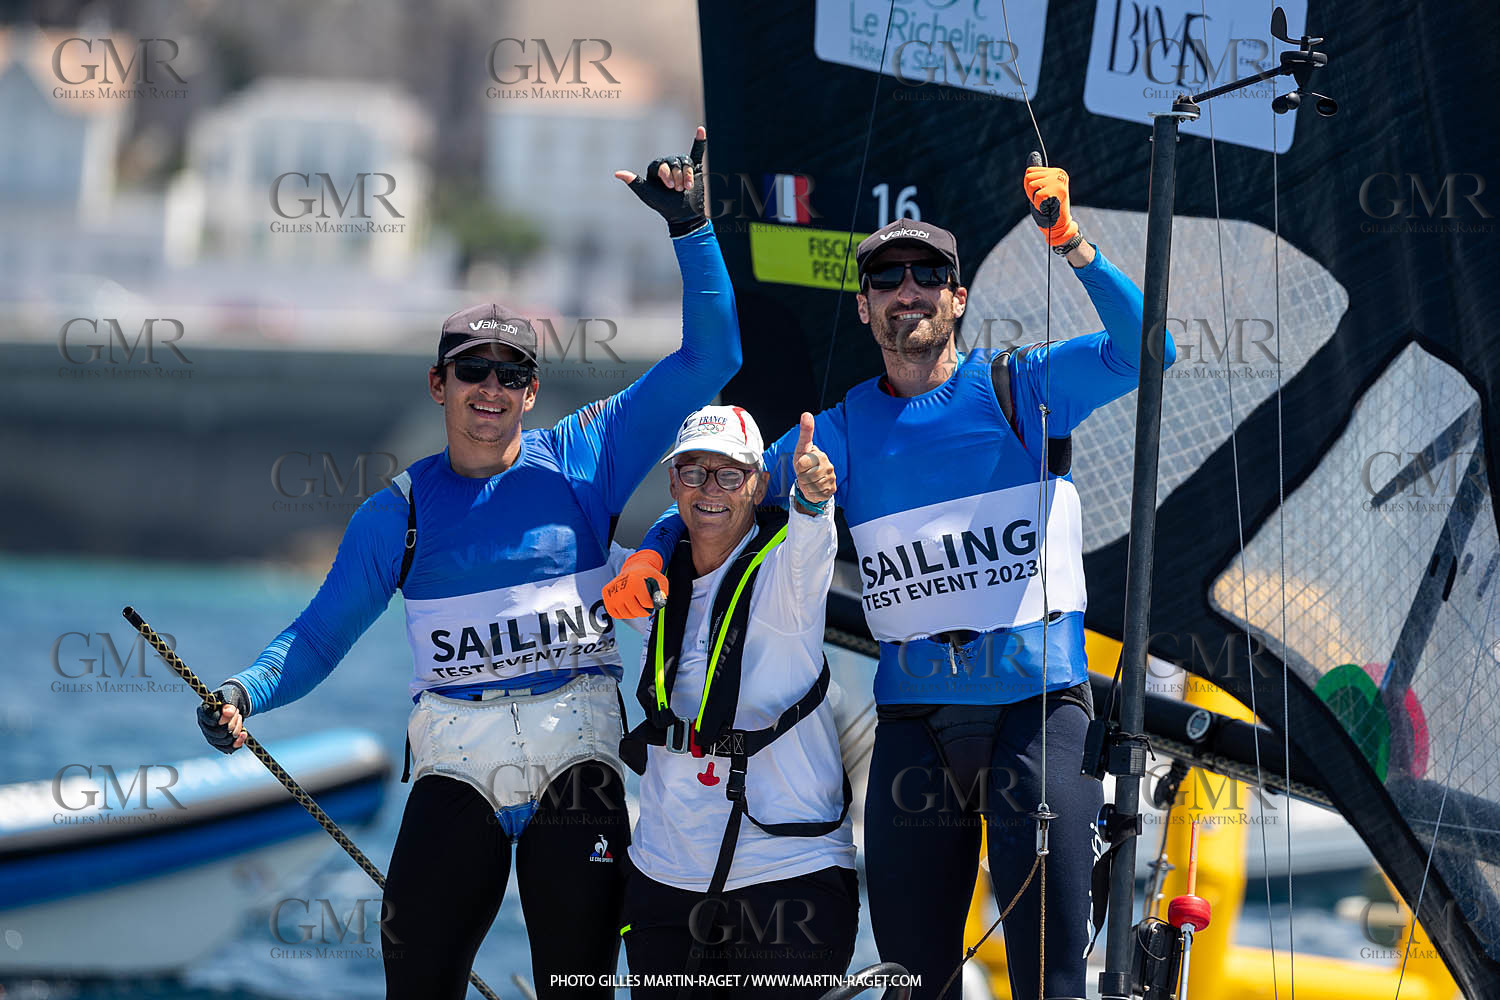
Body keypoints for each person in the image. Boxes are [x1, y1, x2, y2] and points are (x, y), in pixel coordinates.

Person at [605, 161, 1177, 1000]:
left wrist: (1073, 244)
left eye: (928, 275)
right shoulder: (833, 432)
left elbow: (1147, 351)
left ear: (958, 298)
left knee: (1052, 983)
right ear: (865, 304)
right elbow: (724, 499)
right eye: (885, 278)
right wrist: (655, 548)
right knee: (915, 983)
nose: (907, 290)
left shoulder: (1025, 388)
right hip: (919, 728)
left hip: (1036, 716)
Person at [195, 129, 742, 999]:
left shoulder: (584, 457)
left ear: (530, 390)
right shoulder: (399, 514)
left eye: (510, 372)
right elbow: (320, 633)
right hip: (458, 764)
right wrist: (243, 694)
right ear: (438, 385)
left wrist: (691, 229)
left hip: (579, 758)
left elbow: (712, 359)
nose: (491, 388)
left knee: (578, 988)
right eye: (471, 370)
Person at [615, 404, 856, 999]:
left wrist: (815, 496)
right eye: (693, 472)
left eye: (730, 474)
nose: (710, 489)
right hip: (665, 874)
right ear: (672, 483)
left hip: (786, 873)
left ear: (758, 484)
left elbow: (810, 536)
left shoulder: (786, 576)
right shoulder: (650, 583)